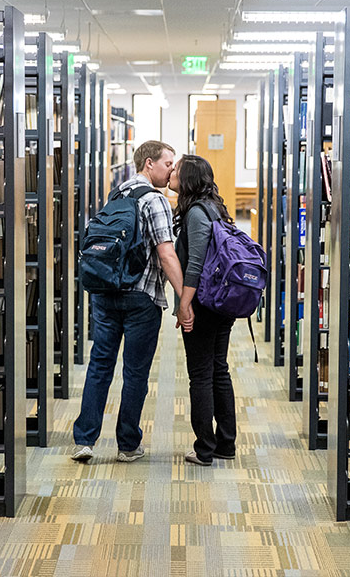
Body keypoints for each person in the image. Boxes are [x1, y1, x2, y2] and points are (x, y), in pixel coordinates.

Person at [71, 140, 190, 463]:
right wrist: (184, 299)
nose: (171, 171)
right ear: (148, 163)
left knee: (100, 365)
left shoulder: (116, 194)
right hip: (142, 296)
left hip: (105, 292)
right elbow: (166, 254)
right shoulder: (156, 200)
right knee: (135, 373)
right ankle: (127, 445)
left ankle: (85, 440)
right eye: (168, 164)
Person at [169, 154, 237, 466]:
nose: (171, 173)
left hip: (204, 303)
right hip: (221, 301)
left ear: (188, 180)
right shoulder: (214, 206)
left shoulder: (196, 213)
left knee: (201, 374)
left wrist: (184, 304)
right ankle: (225, 443)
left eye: (176, 170)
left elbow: (195, 263)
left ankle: (204, 448)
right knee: (218, 370)